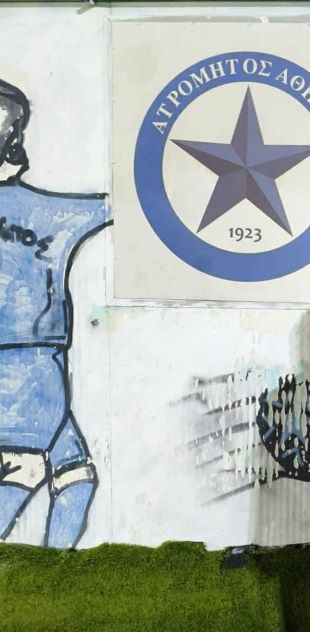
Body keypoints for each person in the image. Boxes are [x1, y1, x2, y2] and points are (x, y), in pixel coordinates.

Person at [0, 78, 109, 548]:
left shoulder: (52, 212)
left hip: (43, 359)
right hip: (27, 367)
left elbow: (120, 207)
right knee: (24, 467)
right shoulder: (52, 213)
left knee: (76, 476)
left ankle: (54, 572)